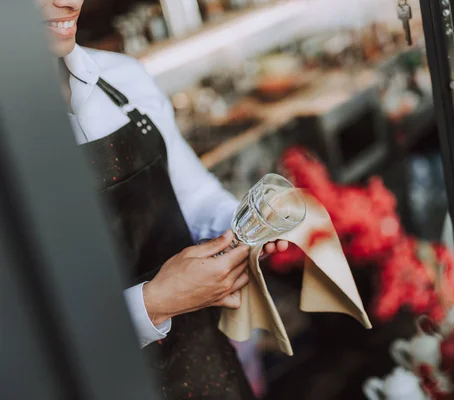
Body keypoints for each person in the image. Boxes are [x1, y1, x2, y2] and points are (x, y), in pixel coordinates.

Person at [35, 1, 288, 398]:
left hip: (206, 369)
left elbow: (195, 196)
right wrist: (153, 304)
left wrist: (246, 227)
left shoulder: (124, 76)